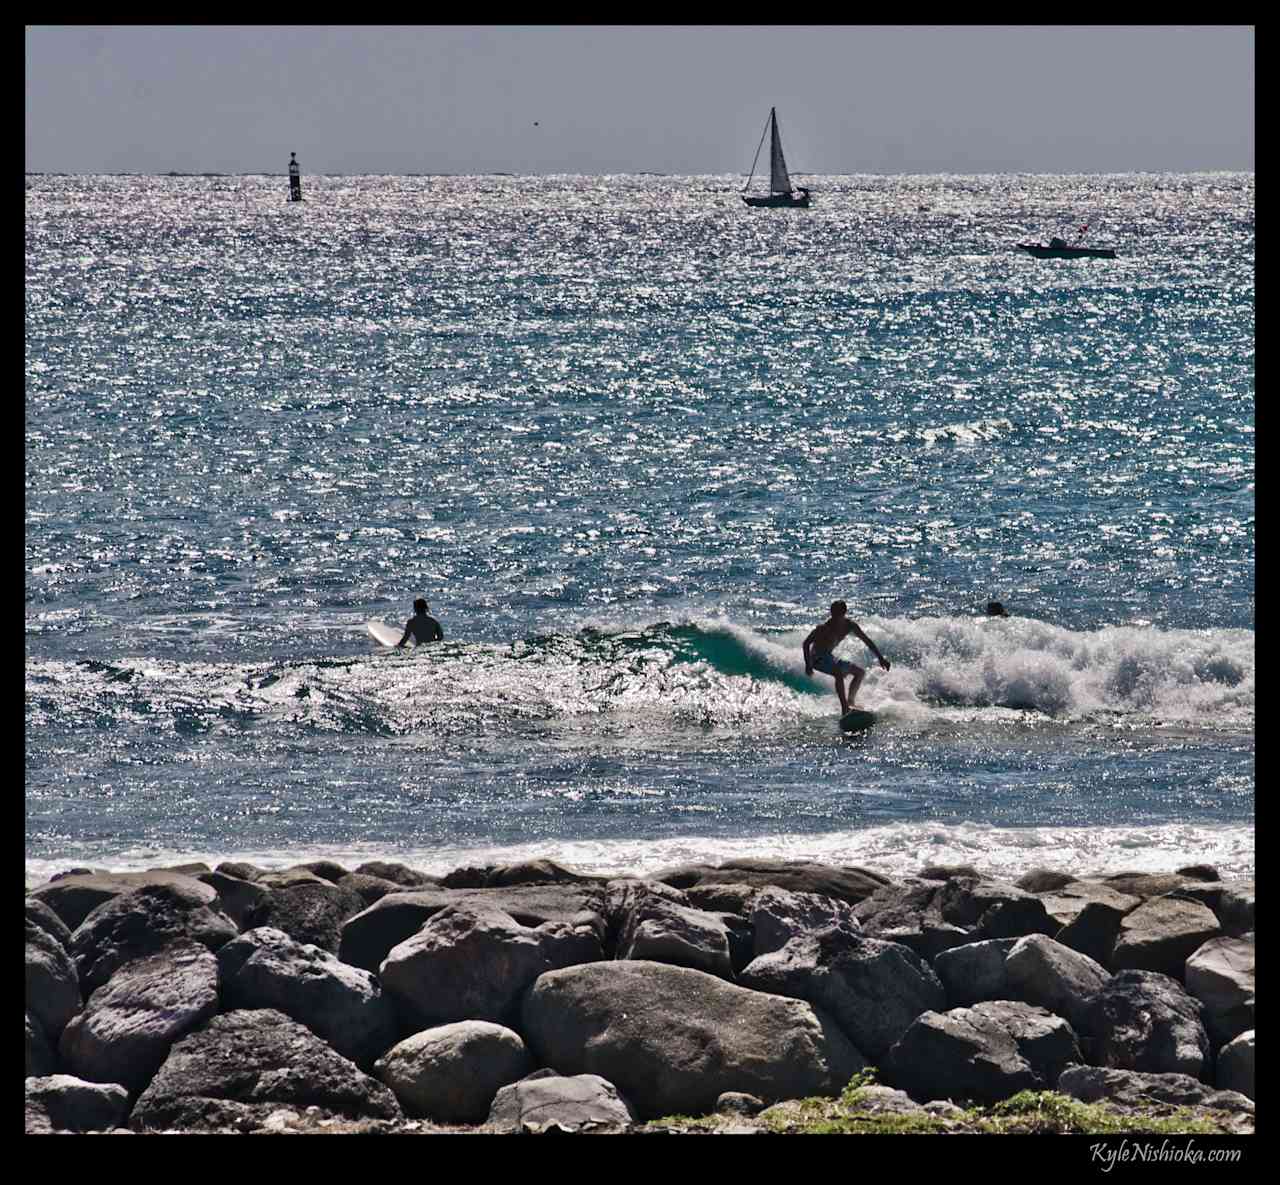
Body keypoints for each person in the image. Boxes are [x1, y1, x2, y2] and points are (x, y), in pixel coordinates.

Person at [803, 600, 890, 714]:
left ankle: (850, 702)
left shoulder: (850, 625)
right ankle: (845, 709)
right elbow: (806, 643)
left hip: (829, 657)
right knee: (838, 673)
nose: (834, 617)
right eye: (832, 613)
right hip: (816, 658)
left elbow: (866, 640)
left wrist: (880, 658)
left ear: (844, 613)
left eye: (837, 614)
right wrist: (808, 664)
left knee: (860, 673)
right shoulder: (823, 628)